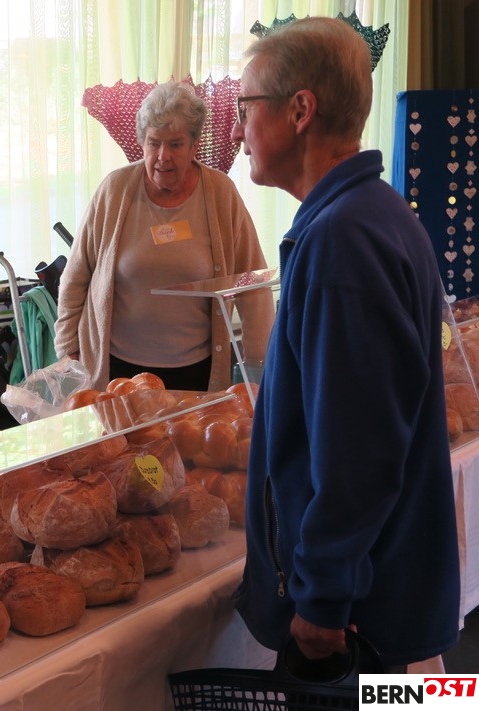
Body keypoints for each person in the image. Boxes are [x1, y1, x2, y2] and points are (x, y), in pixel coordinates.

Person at [232, 16, 460, 670]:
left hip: (358, 624)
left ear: (300, 110)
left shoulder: (343, 239)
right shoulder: (371, 211)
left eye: (246, 107)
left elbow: (360, 448)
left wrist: (325, 594)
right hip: (380, 605)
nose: (238, 130)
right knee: (425, 710)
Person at [55, 81, 271, 392]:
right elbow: (76, 277)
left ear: (194, 145)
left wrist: (258, 367)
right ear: (141, 142)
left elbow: (253, 286)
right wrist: (68, 349)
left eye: (176, 144)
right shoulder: (114, 190)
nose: (163, 156)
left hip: (198, 370)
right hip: (117, 370)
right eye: (153, 143)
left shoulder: (221, 193)